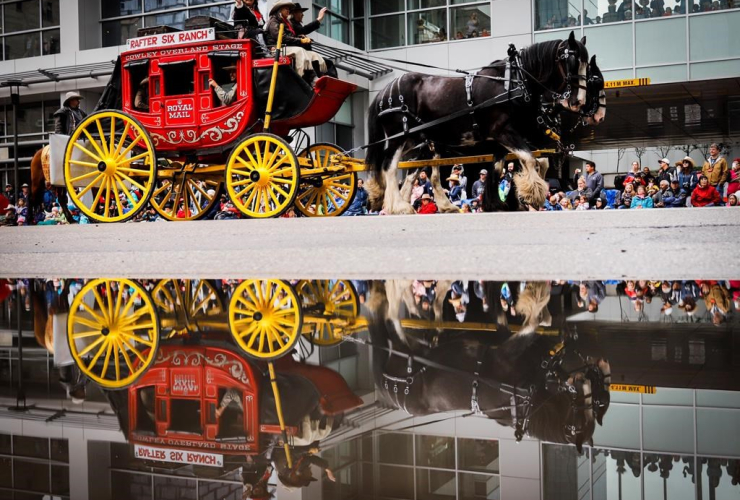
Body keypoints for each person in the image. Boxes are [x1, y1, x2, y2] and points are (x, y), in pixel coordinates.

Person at [265, 1, 326, 80]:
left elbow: (291, 36)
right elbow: (282, 38)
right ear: (279, 10)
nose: (288, 11)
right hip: (277, 48)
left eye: (288, 9)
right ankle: (300, 77)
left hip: (287, 47)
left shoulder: (287, 22)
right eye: (286, 9)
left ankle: (319, 77)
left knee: (313, 55)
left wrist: (300, 37)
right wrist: (300, 40)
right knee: (299, 51)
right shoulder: (273, 21)